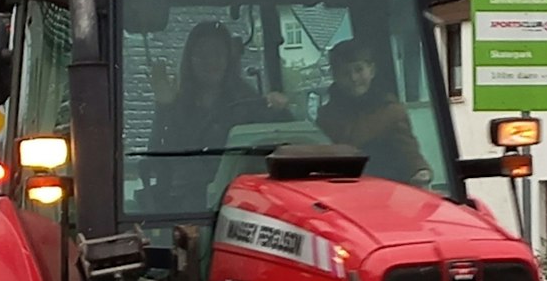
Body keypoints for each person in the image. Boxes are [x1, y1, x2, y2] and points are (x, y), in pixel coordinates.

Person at [147, 22, 288, 204]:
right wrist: (164, 106)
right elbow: (156, 161)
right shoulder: (177, 105)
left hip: (240, 198)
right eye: (202, 54)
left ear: (228, 58)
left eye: (217, 53)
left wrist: (280, 110)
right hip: (188, 204)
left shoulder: (249, 103)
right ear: (190, 60)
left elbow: (284, 144)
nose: (210, 61)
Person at [315, 39, 429, 184]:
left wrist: (420, 170)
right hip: (339, 188)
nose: (354, 78)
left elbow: (409, 151)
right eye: (345, 72)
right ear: (335, 76)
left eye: (359, 69)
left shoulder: (391, 111)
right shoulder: (326, 116)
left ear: (372, 70)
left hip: (386, 189)